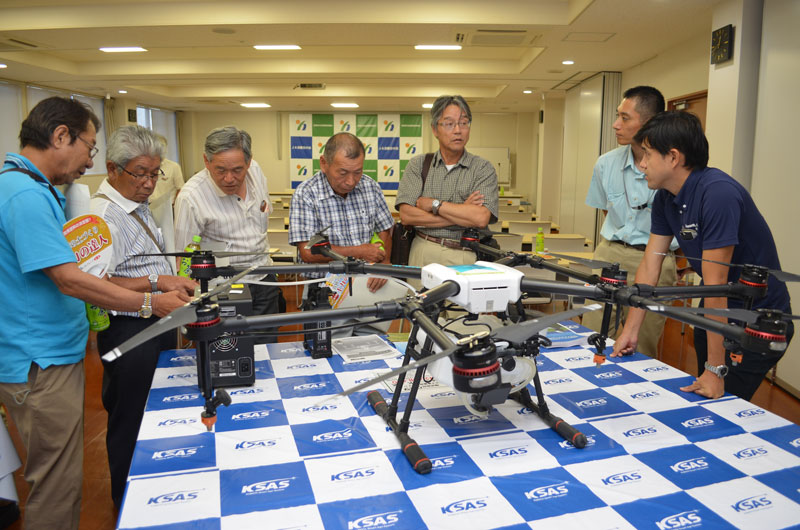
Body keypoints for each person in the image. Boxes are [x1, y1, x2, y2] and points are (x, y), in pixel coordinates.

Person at [0, 96, 189, 529]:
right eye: (89, 145)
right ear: (60, 136)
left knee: (60, 479)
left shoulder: (35, 189)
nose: (88, 160)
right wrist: (151, 299)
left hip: (50, 352)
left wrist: (157, 285)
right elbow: (73, 279)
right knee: (56, 484)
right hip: (38, 359)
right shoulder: (24, 194)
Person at [612, 111, 793, 401]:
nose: (641, 164)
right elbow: (651, 263)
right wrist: (631, 330)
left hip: (757, 322)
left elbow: (716, 283)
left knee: (724, 403)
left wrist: (715, 367)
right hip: (714, 317)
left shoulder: (718, 194)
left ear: (673, 157)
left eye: (646, 154)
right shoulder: (665, 198)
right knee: (707, 401)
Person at [90, 125, 197, 509]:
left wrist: (166, 284)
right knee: (131, 423)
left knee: (155, 416)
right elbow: (97, 283)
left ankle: (155, 499)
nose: (149, 182)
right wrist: (156, 289)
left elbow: (140, 267)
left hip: (155, 322)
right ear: (112, 168)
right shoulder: (103, 215)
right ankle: (127, 505)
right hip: (128, 330)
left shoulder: (138, 208)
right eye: (140, 173)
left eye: (155, 173)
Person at [583, 86, 678, 357]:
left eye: (625, 118)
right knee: (593, 337)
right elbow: (607, 212)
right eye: (617, 116)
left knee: (642, 345)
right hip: (608, 253)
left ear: (648, 123)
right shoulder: (605, 164)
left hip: (654, 258)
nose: (615, 125)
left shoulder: (671, 166)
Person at [174, 126, 284, 335]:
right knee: (229, 356)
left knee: (268, 351)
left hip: (264, 278)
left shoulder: (256, 171)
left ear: (249, 162)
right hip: (223, 291)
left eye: (237, 170)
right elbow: (184, 261)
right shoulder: (191, 198)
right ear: (206, 162)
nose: (229, 179)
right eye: (220, 170)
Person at [289, 133, 394, 335]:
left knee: (374, 350)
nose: (350, 181)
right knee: (326, 355)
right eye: (343, 172)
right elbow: (308, 253)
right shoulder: (306, 194)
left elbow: (385, 227)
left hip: (367, 288)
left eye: (358, 172)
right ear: (324, 163)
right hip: (325, 293)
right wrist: (360, 252)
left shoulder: (370, 186)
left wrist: (383, 263)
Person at [396, 95, 499, 269]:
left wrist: (434, 204)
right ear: (435, 129)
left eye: (464, 123)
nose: (458, 130)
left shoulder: (483, 168)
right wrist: (462, 213)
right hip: (423, 250)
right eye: (449, 124)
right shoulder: (418, 164)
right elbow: (407, 216)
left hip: (464, 255)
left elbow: (480, 218)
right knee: (418, 297)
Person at [149, 133, 184, 204]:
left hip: (168, 207)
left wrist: (175, 205)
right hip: (149, 206)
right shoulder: (145, 167)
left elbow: (180, 189)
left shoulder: (174, 166)